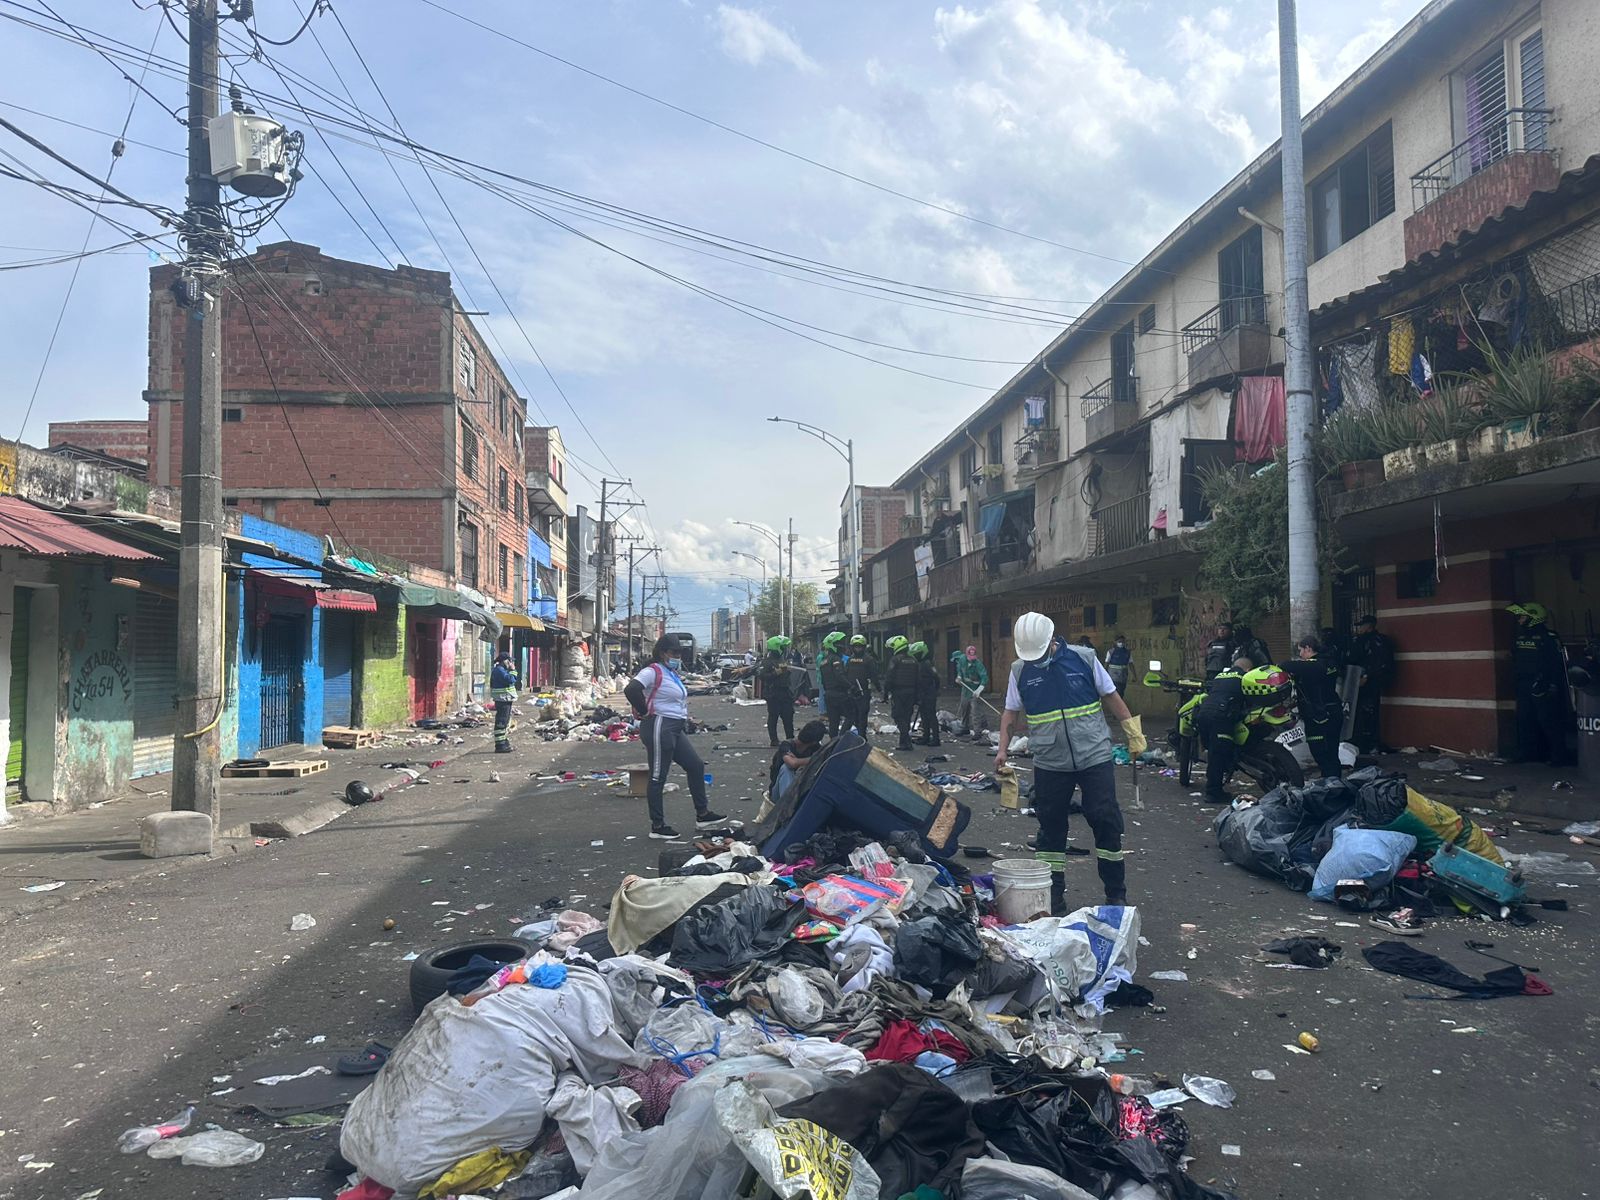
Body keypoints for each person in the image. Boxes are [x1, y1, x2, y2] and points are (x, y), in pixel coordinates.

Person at [995, 612, 1145, 910]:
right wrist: (1003, 749)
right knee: (1050, 830)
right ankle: (1054, 896)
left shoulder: (1085, 659)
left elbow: (1111, 696)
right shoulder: (1019, 670)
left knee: (1105, 820)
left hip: (1094, 755)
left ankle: (1116, 892)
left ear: (1052, 640)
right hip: (1050, 760)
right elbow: (1011, 712)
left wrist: (1134, 734)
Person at [623, 634, 729, 840]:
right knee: (657, 776)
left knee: (695, 765)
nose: (677, 656)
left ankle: (703, 814)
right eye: (674, 652)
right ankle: (658, 825)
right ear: (662, 653)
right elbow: (632, 689)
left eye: (680, 653)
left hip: (674, 727)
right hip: (659, 725)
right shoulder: (652, 671)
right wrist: (644, 710)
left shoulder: (670, 673)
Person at [1509, 602, 1573, 765]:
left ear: (1534, 617)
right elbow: (1515, 659)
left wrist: (1549, 683)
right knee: (1524, 719)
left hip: (1543, 684)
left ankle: (1558, 756)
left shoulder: (1549, 637)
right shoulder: (1519, 637)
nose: (1520, 620)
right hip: (1523, 684)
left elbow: (1556, 664)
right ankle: (1527, 753)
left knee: (1549, 721)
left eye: (1523, 617)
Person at [1284, 634, 1343, 779]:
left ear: (1308, 648)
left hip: (1320, 716)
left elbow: (1287, 665)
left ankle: (1332, 782)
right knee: (1331, 752)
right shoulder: (1330, 662)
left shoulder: (1316, 665)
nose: (1300, 654)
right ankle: (1332, 782)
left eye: (1301, 650)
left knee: (1321, 751)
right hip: (1332, 711)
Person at [1193, 656, 1250, 804]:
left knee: (1213, 752)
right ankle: (1213, 793)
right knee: (1218, 755)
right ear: (1248, 669)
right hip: (1221, 716)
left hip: (1203, 715)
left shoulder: (1219, 676)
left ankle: (1216, 782)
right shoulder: (1244, 677)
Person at [1350, 615, 1396, 753]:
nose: (1360, 628)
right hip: (1362, 680)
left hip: (1370, 682)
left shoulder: (1376, 641)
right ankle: (1363, 742)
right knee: (1361, 713)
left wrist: (1366, 676)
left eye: (1362, 625)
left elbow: (1379, 662)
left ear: (1369, 626)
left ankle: (1370, 743)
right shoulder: (1362, 640)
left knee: (1369, 712)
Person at [770, 718, 827, 803]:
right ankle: (786, 805)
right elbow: (792, 763)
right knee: (786, 768)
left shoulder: (815, 749)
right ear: (814, 741)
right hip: (778, 794)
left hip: (799, 791)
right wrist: (814, 759)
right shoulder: (787, 745)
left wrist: (799, 761)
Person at [757, 635, 796, 747]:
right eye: (782, 647)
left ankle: (790, 738)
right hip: (773, 693)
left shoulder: (782, 659)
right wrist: (776, 672)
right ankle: (774, 740)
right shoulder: (767, 662)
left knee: (788, 716)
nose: (784, 649)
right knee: (773, 716)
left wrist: (787, 670)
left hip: (785, 692)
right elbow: (762, 676)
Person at [883, 635, 920, 751]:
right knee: (907, 716)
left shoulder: (895, 660)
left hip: (898, 692)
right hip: (912, 692)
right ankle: (903, 742)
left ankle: (906, 741)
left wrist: (885, 692)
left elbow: (889, 677)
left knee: (898, 715)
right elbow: (918, 678)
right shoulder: (914, 660)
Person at [818, 631, 850, 738]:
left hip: (829, 694)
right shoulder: (835, 659)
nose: (842, 646)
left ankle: (833, 743)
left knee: (833, 721)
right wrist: (851, 686)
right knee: (851, 715)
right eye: (839, 643)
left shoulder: (823, 661)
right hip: (839, 694)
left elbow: (823, 681)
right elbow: (840, 676)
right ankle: (841, 738)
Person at [953, 645, 990, 738]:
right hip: (966, 690)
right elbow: (960, 671)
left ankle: (977, 731)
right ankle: (964, 727)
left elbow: (984, 677)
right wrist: (959, 677)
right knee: (964, 708)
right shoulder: (962, 660)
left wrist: (980, 689)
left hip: (975, 689)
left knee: (975, 711)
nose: (971, 660)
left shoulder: (978, 664)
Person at [845, 634, 877, 736]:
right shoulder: (850, 660)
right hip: (852, 691)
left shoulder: (869, 659)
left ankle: (862, 736)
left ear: (864, 647)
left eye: (859, 646)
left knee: (862, 716)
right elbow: (846, 674)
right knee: (853, 716)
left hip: (863, 692)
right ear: (852, 647)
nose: (857, 649)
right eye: (856, 646)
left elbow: (874, 675)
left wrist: (879, 689)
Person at [910, 641, 942, 746]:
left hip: (929, 693)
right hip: (923, 693)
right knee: (924, 716)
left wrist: (934, 690)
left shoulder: (927, 664)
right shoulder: (920, 664)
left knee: (931, 716)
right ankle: (926, 736)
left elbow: (936, 678)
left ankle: (936, 739)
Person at [490, 651, 520, 753]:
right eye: (510, 661)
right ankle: (500, 745)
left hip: (505, 699)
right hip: (503, 699)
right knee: (501, 722)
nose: (511, 663)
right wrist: (513, 670)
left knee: (505, 721)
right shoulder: (499, 671)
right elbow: (510, 680)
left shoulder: (500, 670)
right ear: (505, 661)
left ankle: (504, 741)